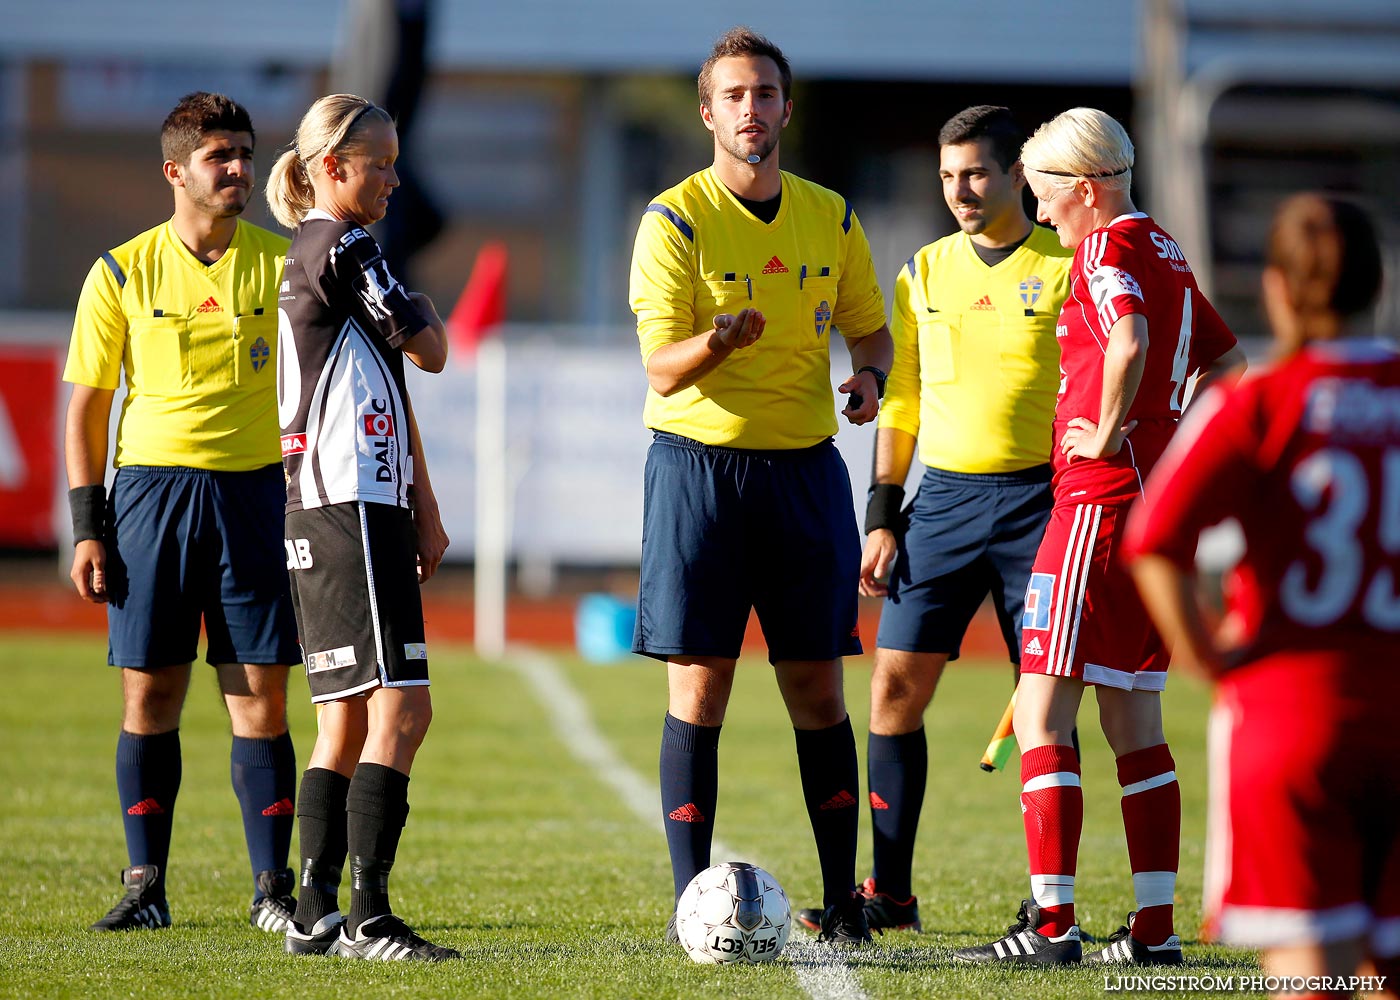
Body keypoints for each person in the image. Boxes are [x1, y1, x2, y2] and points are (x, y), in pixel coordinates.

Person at [950, 107, 1245, 966]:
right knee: (1134, 722)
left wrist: (1111, 429)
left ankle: (1051, 928)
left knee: (1043, 712)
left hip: (1096, 505)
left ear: (1083, 189)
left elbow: (1128, 338)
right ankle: (1154, 933)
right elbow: (1227, 368)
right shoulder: (1167, 250)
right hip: (1149, 514)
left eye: (1044, 194)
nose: (1039, 212)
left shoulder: (1106, 248)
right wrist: (1170, 441)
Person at [628, 27, 894, 946]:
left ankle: (845, 904)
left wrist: (870, 377)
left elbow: (871, 330)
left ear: (787, 107)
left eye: (767, 94)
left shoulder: (832, 214)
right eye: (735, 95)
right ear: (709, 112)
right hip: (700, 472)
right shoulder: (673, 220)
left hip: (806, 474)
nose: (752, 110)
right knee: (700, 690)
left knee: (818, 691)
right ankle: (686, 905)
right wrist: (720, 341)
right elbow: (661, 369)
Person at [791, 105, 1073, 936]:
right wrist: (882, 515)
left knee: (1044, 712)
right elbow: (902, 398)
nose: (961, 190)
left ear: (1018, 174)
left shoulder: (1071, 262)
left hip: (1044, 504)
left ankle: (1050, 905)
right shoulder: (923, 272)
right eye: (948, 176)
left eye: (977, 174)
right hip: (943, 505)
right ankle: (891, 898)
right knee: (893, 689)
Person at [1126, 195, 1399, 997]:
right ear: (1378, 285)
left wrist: (1212, 658)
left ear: (1276, 288)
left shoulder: (1255, 403)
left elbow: (1152, 540)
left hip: (1290, 718)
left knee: (1317, 983)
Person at [64, 92, 301, 934]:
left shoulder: (283, 262)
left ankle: (274, 892)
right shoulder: (122, 271)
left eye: (245, 153)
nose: (239, 169)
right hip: (150, 499)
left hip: (255, 496)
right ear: (175, 171)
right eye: (219, 157)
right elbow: (87, 409)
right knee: (149, 697)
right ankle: (145, 887)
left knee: (260, 698)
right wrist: (88, 524)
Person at [265, 93, 454, 962]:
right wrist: (423, 304)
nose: (392, 176)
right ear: (331, 169)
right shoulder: (346, 243)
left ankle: (313, 911)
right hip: (350, 502)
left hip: (329, 500)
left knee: (343, 719)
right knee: (402, 711)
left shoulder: (312, 251)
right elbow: (428, 346)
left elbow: (385, 379)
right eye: (377, 161)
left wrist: (424, 499)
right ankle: (371, 916)